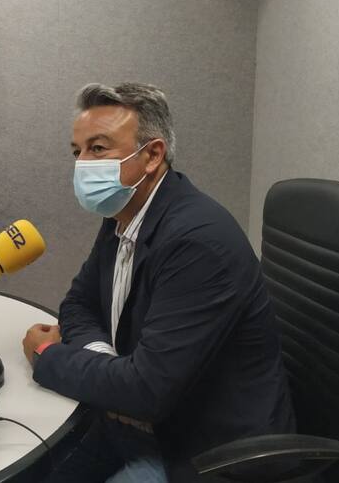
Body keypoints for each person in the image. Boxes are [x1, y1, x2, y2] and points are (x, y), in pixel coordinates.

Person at [22, 83, 295, 483]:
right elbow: (78, 304)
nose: (82, 165)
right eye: (77, 151)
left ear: (151, 155)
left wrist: (47, 355)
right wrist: (107, 366)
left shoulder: (198, 243)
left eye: (98, 149)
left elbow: (145, 393)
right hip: (133, 419)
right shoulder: (123, 211)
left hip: (201, 451)